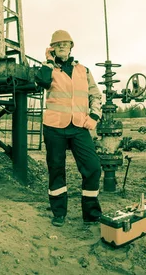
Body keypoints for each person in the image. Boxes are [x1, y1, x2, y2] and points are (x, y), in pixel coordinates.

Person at [35, 29, 103, 227]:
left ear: (71, 46)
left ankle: (91, 214)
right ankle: (59, 213)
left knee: (92, 168)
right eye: (58, 44)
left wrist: (94, 115)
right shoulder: (48, 69)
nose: (62, 46)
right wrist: (47, 61)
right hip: (54, 127)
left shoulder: (84, 70)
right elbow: (42, 82)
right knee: (56, 169)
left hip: (80, 126)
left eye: (66, 43)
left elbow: (95, 95)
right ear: (52, 48)